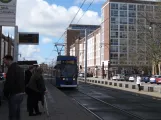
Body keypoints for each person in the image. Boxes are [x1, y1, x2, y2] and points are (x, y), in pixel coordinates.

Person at [3, 55, 25, 120]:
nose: (4, 63)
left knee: (12, 115)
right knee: (17, 113)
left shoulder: (11, 69)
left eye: (5, 61)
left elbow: (9, 83)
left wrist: (5, 94)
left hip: (14, 94)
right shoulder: (19, 68)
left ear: (9, 60)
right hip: (20, 94)